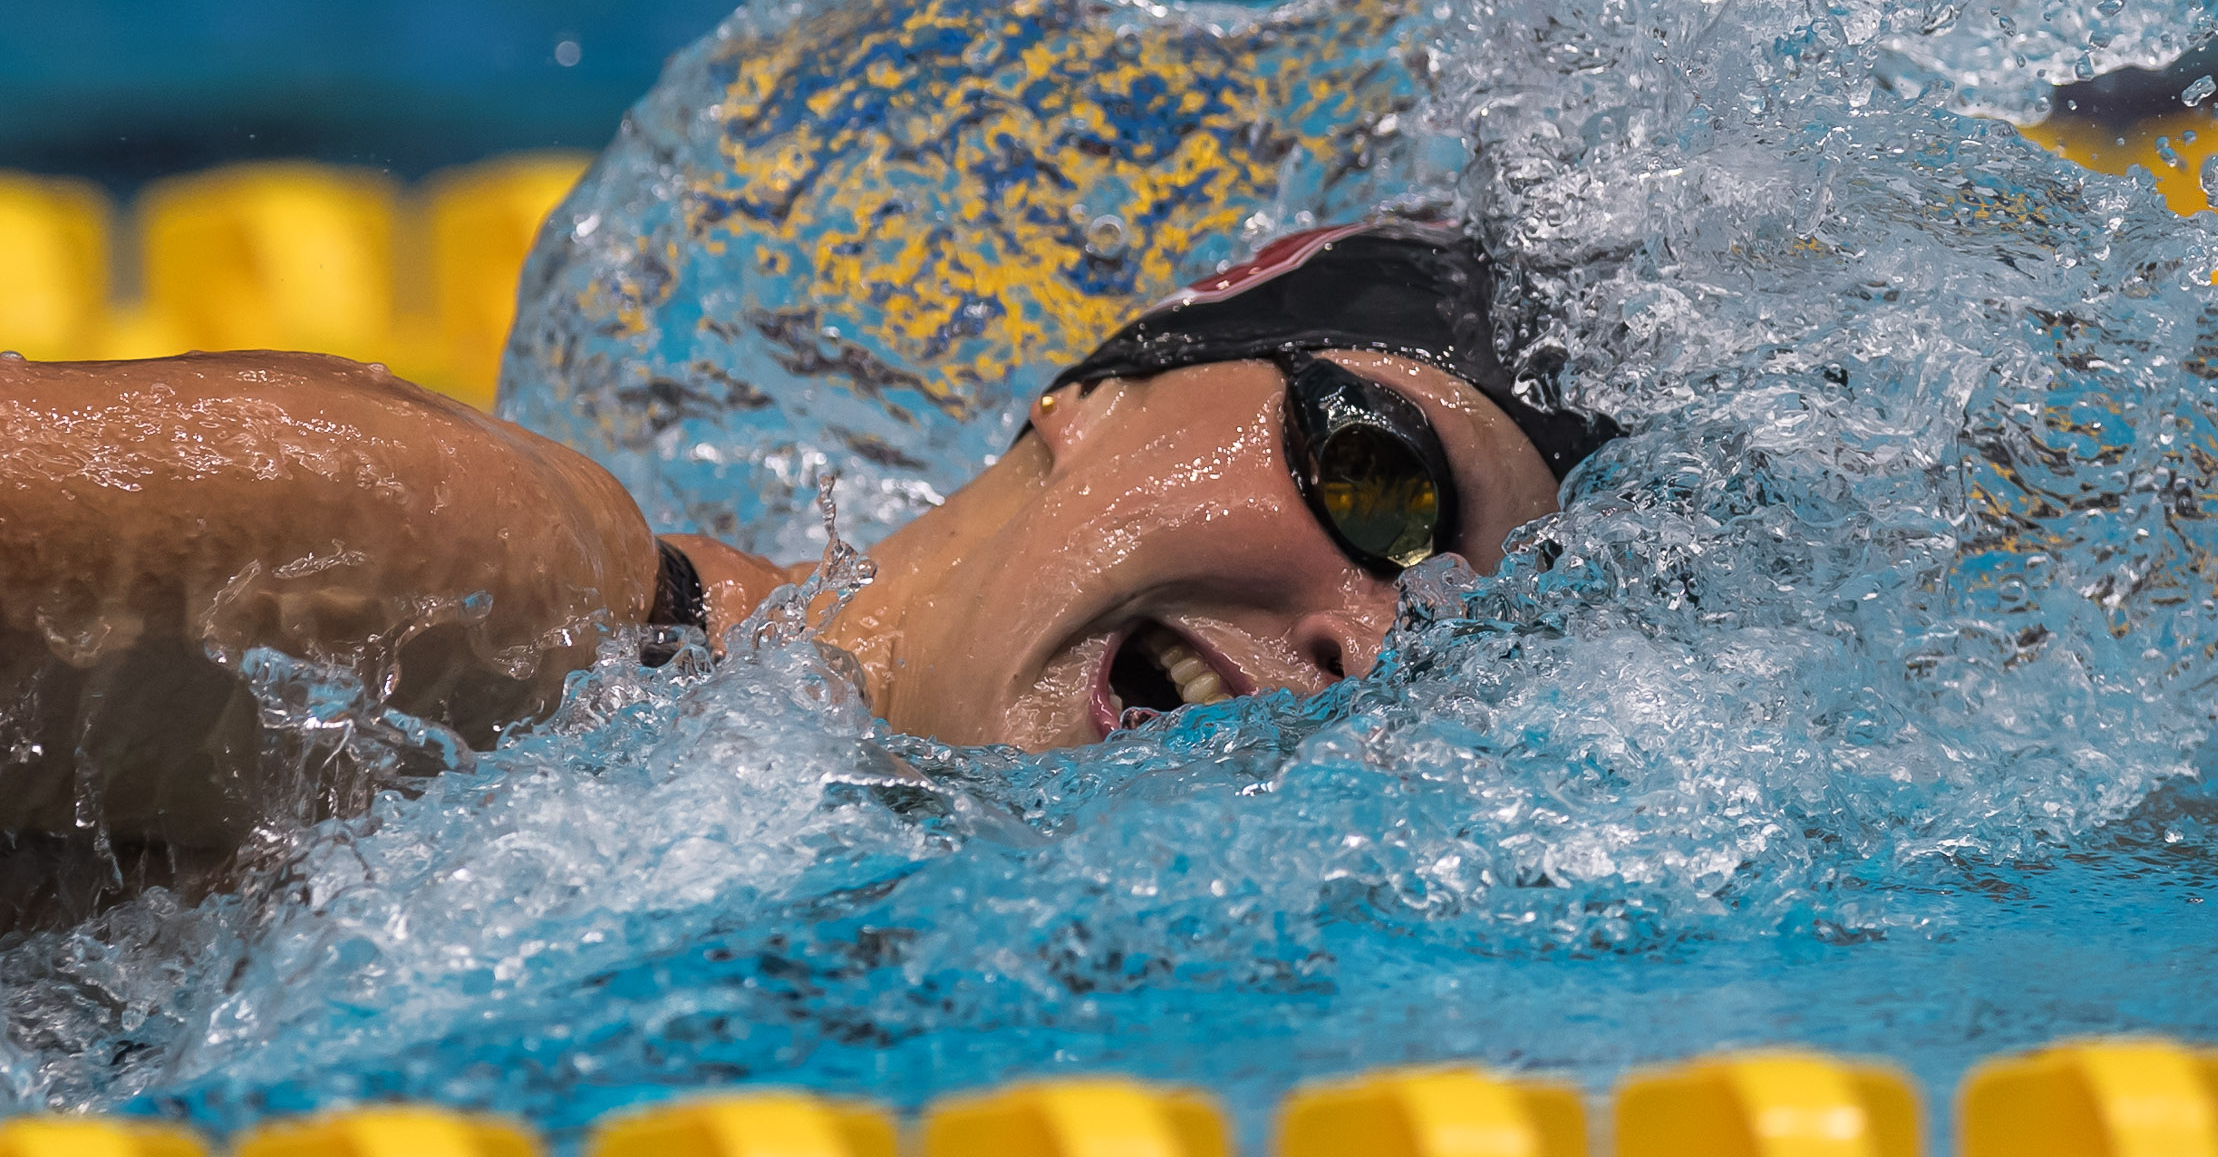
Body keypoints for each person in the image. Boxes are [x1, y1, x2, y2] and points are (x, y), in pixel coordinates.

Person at [0, 220, 1614, 857]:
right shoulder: (478, 586)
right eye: (1386, 487)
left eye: (1462, 642)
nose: (1376, 639)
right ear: (1104, 395)